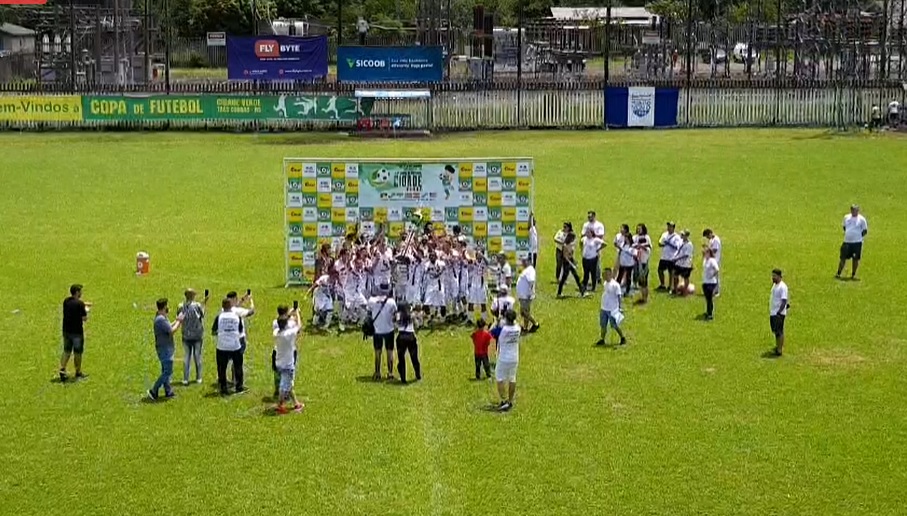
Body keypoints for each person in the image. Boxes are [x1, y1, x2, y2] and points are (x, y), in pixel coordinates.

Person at [149, 298, 183, 400]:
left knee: (165, 370)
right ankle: (154, 390)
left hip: (164, 348)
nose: (168, 307)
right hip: (164, 349)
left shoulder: (162, 318)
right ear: (164, 307)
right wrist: (179, 322)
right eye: (167, 306)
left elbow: (168, 326)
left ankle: (168, 391)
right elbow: (171, 331)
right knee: (168, 371)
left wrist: (176, 320)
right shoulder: (160, 320)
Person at [212, 299, 246, 395]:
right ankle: (239, 387)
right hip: (235, 345)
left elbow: (213, 331)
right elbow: (240, 331)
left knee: (222, 368)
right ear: (231, 306)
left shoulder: (219, 317)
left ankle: (223, 388)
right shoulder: (237, 317)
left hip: (222, 346)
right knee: (238, 367)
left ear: (222, 307)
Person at [273, 306, 303, 414]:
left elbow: (281, 321)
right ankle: (280, 405)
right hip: (288, 364)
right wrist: (297, 314)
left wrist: (290, 313)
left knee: (288, 384)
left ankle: (296, 403)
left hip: (279, 362)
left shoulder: (276, 332)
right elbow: (299, 326)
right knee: (284, 386)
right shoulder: (289, 334)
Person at [490, 309, 521, 412]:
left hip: (503, 358)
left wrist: (496, 321)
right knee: (512, 379)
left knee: (499, 378)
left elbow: (491, 331)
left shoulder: (502, 330)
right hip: (515, 357)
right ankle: (511, 400)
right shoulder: (518, 328)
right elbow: (514, 322)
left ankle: (504, 401)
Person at [60, 284, 91, 382]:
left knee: (67, 351)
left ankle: (62, 369)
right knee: (77, 353)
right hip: (77, 333)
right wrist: (87, 310)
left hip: (66, 331)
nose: (81, 293)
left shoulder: (66, 301)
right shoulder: (80, 304)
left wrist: (84, 304)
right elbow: (84, 318)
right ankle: (78, 372)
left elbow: (75, 305)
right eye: (80, 291)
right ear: (77, 292)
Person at [367, 283, 397, 380]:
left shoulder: (371, 301)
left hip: (377, 330)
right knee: (390, 352)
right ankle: (390, 372)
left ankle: (377, 372)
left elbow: (369, 312)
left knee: (377, 352)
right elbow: (395, 315)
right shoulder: (392, 302)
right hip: (389, 329)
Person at [178, 288, 206, 385]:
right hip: (197, 335)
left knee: (186, 358)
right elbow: (202, 315)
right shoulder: (197, 305)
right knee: (197, 357)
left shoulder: (181, 306)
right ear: (193, 296)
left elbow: (179, 317)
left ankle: (185, 379)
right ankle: (198, 378)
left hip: (186, 335)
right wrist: (204, 304)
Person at [226, 291, 255, 383]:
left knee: (228, 359)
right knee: (237, 360)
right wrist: (251, 301)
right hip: (239, 338)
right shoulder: (238, 311)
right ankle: (236, 381)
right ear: (234, 299)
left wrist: (243, 298)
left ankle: (224, 378)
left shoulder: (225, 309)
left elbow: (236, 306)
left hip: (229, 338)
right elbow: (251, 311)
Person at [837, 204, 868, 280]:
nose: (855, 212)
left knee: (855, 259)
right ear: (851, 210)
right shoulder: (846, 217)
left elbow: (865, 230)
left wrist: (858, 237)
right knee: (843, 258)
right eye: (853, 210)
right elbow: (844, 227)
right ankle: (838, 273)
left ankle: (853, 274)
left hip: (857, 243)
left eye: (856, 210)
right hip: (847, 242)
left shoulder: (861, 219)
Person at [596, 268, 626, 346]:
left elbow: (619, 296)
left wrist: (619, 308)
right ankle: (602, 339)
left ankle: (623, 338)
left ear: (610, 274)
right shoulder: (605, 283)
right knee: (603, 325)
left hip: (612, 309)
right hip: (604, 308)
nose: (604, 276)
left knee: (614, 325)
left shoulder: (615, 285)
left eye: (605, 274)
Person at [395, 303, 421, 384]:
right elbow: (417, 324)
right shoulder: (411, 315)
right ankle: (418, 375)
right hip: (411, 336)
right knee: (414, 357)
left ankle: (403, 378)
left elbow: (395, 326)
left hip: (401, 336)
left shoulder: (398, 315)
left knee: (401, 358)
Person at [581, 211, 606, 286]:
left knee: (596, 264)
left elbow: (601, 235)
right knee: (587, 264)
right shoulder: (586, 224)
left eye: (590, 217)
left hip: (596, 247)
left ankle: (598, 278)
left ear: (594, 216)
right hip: (587, 246)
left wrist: (593, 236)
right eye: (588, 217)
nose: (589, 218)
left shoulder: (599, 225)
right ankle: (586, 279)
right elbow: (583, 234)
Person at [515, 256, 539, 332]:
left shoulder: (530, 270)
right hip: (523, 295)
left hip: (526, 295)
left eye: (524, 261)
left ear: (528, 261)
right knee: (526, 312)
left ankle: (535, 323)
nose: (523, 263)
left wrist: (530, 293)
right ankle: (525, 327)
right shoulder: (527, 270)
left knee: (523, 312)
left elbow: (531, 281)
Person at [557, 229, 583, 297]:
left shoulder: (571, 245)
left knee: (576, 276)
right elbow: (565, 256)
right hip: (566, 263)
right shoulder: (565, 246)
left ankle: (582, 291)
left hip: (570, 261)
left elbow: (571, 255)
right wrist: (571, 264)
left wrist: (574, 262)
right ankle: (559, 293)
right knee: (564, 278)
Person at [769, 269, 790, 357]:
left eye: (774, 276)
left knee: (779, 331)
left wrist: (779, 312)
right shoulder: (775, 285)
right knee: (776, 331)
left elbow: (784, 300)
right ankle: (777, 346)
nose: (773, 278)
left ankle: (779, 350)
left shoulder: (782, 287)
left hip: (778, 313)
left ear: (779, 276)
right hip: (774, 312)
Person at [657, 222, 681, 292]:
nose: (668, 228)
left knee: (671, 272)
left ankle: (670, 286)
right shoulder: (664, 234)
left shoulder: (677, 237)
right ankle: (662, 284)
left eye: (670, 227)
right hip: (664, 256)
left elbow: (677, 247)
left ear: (673, 228)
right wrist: (663, 244)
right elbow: (660, 243)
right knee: (660, 270)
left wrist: (669, 243)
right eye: (668, 226)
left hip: (671, 257)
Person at [580, 228, 604, 295]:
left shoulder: (595, 240)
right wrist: (582, 250)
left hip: (593, 259)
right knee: (586, 273)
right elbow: (581, 242)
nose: (587, 234)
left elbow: (604, 243)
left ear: (592, 233)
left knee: (593, 273)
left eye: (588, 232)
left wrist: (598, 249)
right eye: (586, 232)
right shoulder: (584, 239)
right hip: (585, 258)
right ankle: (584, 286)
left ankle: (594, 287)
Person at [633, 224, 652, 304]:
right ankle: (642, 295)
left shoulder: (646, 237)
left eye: (640, 229)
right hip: (637, 260)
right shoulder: (635, 237)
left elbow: (649, 248)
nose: (638, 230)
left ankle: (645, 298)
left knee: (644, 280)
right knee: (639, 280)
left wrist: (641, 246)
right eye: (637, 229)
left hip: (644, 261)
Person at [615, 224, 636, 296]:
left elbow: (635, 254)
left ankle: (627, 291)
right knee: (619, 276)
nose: (625, 239)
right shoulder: (622, 245)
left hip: (629, 264)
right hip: (622, 263)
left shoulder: (632, 246)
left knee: (628, 278)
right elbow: (618, 246)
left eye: (627, 238)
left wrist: (630, 252)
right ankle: (616, 290)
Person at [702, 229, 722, 295]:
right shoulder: (711, 240)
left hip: (716, 260)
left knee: (716, 276)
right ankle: (713, 290)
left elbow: (715, 250)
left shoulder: (716, 239)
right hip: (711, 260)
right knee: (711, 275)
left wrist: (707, 249)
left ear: (710, 233)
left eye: (707, 236)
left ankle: (717, 291)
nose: (707, 238)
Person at [702, 248, 720, 320]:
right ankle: (708, 311)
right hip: (705, 282)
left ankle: (710, 314)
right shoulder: (705, 261)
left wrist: (712, 275)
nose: (705, 254)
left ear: (709, 253)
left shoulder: (712, 260)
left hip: (711, 282)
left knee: (709, 298)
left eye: (706, 253)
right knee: (707, 298)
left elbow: (717, 269)